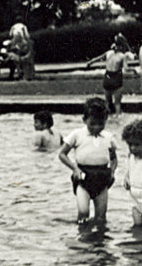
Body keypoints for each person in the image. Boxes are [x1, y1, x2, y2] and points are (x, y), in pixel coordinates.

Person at [59, 97, 117, 226]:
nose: (96, 127)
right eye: (92, 124)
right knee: (83, 212)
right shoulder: (77, 135)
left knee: (101, 217)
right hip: (83, 178)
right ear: (84, 120)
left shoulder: (108, 137)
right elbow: (62, 154)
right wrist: (75, 168)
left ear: (106, 120)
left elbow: (113, 158)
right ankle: (83, 236)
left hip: (102, 178)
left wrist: (112, 171)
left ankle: (100, 237)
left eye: (101, 124)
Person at [87, 33, 131, 116]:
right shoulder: (122, 56)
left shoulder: (109, 53)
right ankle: (118, 119)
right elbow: (126, 68)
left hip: (107, 78)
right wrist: (134, 70)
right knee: (117, 104)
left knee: (108, 103)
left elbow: (96, 59)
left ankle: (107, 119)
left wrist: (90, 62)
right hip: (116, 79)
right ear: (122, 47)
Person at [122, 119, 142, 227]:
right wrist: (127, 177)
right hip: (136, 200)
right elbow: (130, 169)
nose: (133, 148)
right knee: (137, 226)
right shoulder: (131, 156)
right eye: (130, 144)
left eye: (137, 145)